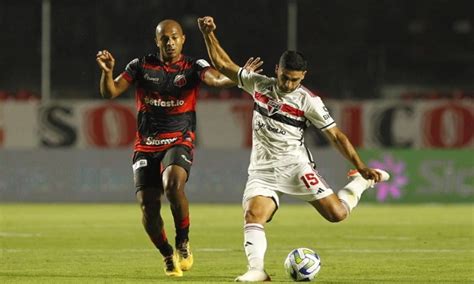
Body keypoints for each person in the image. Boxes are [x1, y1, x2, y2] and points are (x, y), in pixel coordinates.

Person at [197, 16, 390, 282]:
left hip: (296, 167)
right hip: (262, 170)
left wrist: (360, 167)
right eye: (285, 78)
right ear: (277, 69)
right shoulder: (259, 84)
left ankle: (359, 185)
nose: (288, 85)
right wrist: (208, 34)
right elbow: (222, 64)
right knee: (253, 215)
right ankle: (257, 270)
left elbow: (337, 136)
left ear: (303, 77)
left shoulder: (308, 101)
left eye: (295, 80)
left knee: (337, 215)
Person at [96, 19, 262, 277]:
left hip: (179, 139)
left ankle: (182, 242)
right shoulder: (140, 66)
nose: (170, 42)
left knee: (173, 185)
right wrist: (107, 72)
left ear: (183, 39)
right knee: (147, 206)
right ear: (157, 41)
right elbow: (110, 92)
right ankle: (166, 254)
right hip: (146, 144)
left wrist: (240, 76)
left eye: (174, 37)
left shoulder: (194, 66)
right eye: (165, 38)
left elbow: (217, 80)